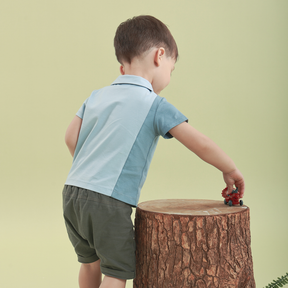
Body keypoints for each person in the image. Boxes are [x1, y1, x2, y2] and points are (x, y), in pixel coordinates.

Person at [63, 15, 245, 288]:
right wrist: (229, 168)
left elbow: (70, 137)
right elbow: (200, 143)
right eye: (171, 70)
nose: (169, 77)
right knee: (116, 271)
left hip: (72, 193)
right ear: (160, 56)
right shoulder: (155, 105)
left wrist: (92, 167)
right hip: (108, 201)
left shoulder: (96, 96)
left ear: (122, 68)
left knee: (90, 261)